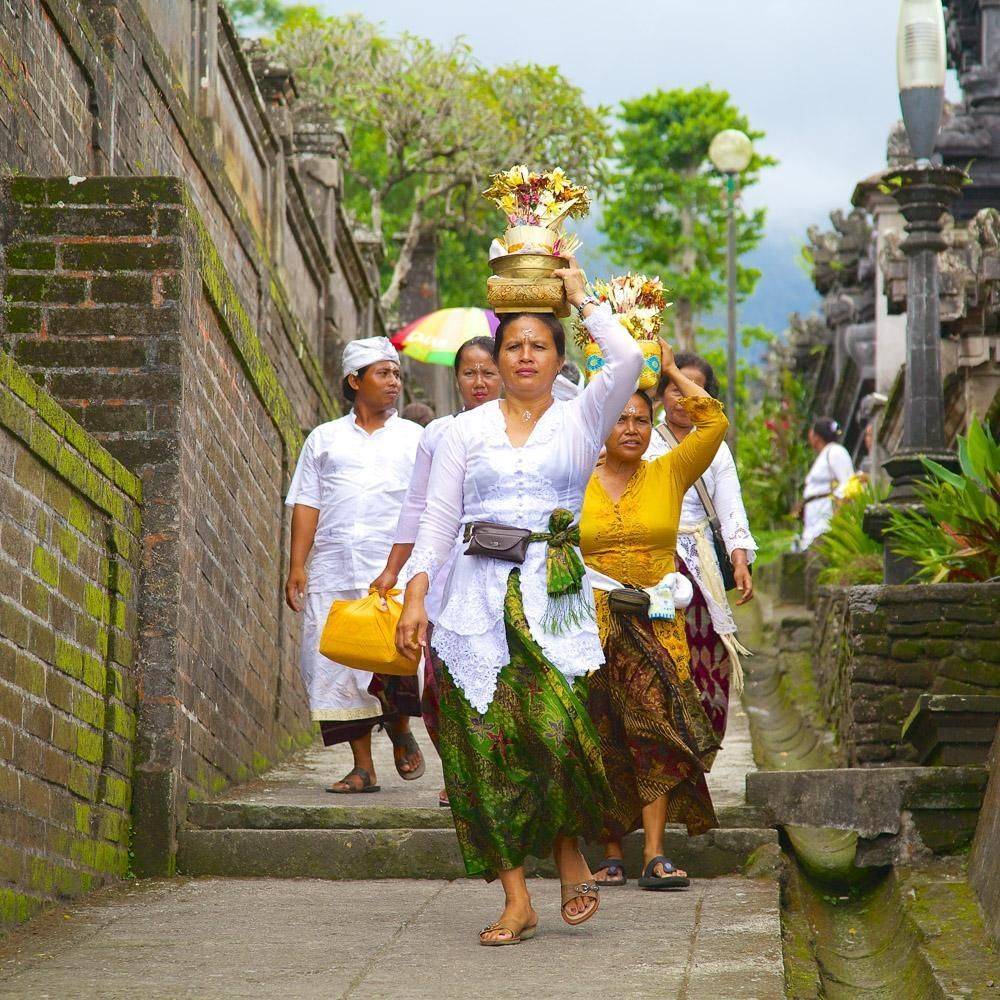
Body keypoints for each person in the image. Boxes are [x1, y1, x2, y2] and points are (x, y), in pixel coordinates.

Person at [396, 260, 644, 945]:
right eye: (513, 346)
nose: (525, 356)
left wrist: (578, 295)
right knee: (480, 752)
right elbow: (438, 523)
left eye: (539, 345)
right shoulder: (462, 433)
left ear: (560, 358)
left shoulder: (583, 416)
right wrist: (416, 596)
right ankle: (515, 898)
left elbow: (625, 355)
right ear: (494, 359)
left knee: (558, 734)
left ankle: (569, 852)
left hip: (551, 594)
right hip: (473, 603)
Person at [581, 372, 729, 892]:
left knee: (654, 730)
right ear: (599, 425)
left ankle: (655, 852)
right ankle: (610, 850)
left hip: (657, 622)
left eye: (641, 420)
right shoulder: (572, 478)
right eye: (619, 418)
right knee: (602, 733)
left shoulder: (669, 472)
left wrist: (668, 372)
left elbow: (713, 421)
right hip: (589, 626)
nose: (631, 428)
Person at [284, 336, 425, 794]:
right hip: (333, 570)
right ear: (354, 380)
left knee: (397, 660)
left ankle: (400, 727)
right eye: (383, 373)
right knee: (339, 667)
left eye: (397, 374)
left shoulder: (416, 439)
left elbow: (428, 507)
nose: (394, 383)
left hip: (396, 573)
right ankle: (362, 767)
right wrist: (297, 565)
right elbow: (307, 503)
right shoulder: (324, 439)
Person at [371, 336, 502, 807]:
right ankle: (460, 771)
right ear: (456, 380)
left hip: (509, 566)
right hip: (446, 570)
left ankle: (498, 770)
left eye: (489, 371)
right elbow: (418, 507)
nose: (480, 382)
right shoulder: (439, 433)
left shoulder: (526, 429)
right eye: (470, 373)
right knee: (443, 677)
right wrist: (395, 571)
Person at [645, 352, 755, 740]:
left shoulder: (716, 447)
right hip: (652, 563)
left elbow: (730, 505)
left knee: (706, 651)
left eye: (695, 390)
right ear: (660, 394)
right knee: (657, 652)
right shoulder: (640, 437)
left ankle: (701, 743)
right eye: (675, 388)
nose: (684, 399)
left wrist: (739, 559)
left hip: (701, 562)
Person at [797, 416, 855, 551]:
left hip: (826, 516)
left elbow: (847, 482)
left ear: (816, 436)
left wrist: (838, 508)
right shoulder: (824, 455)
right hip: (815, 517)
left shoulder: (835, 452)